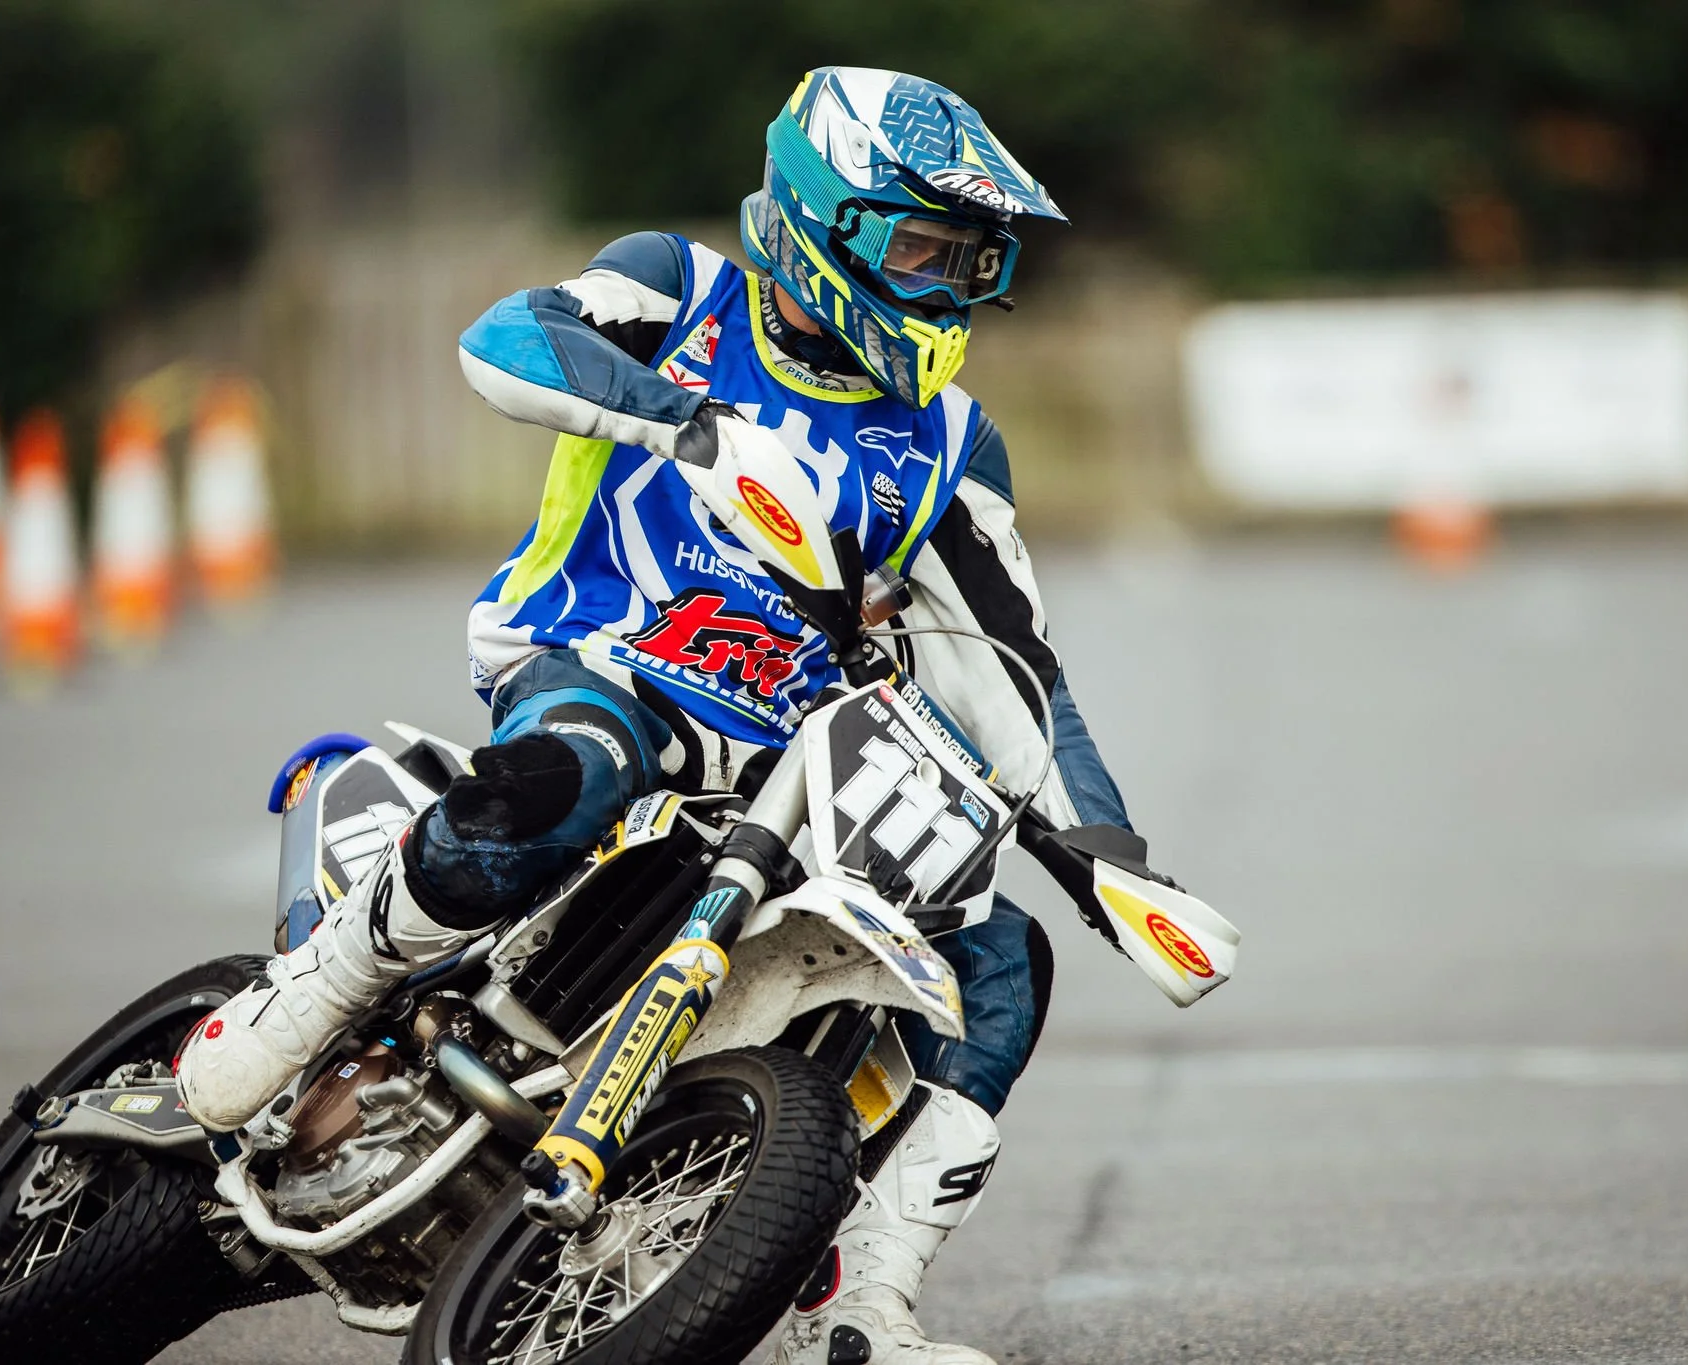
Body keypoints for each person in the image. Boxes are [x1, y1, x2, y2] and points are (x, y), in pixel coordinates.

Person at [179, 66, 1135, 1365]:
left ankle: (861, 1303)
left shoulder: (956, 440)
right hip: (597, 658)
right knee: (582, 764)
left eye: (978, 259)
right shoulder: (680, 290)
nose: (956, 287)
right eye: (926, 249)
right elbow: (505, 343)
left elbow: (1011, 664)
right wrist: (693, 431)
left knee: (999, 956)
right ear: (823, 218)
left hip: (785, 762)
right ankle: (314, 990)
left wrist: (1115, 861)